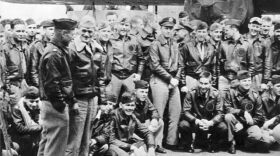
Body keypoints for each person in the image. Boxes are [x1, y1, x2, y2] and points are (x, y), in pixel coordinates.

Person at [37, 18, 77, 156]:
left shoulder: (57, 50)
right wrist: (61, 105)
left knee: (47, 143)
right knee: (56, 148)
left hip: (50, 104)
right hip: (54, 105)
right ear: (63, 33)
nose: (73, 37)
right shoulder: (54, 53)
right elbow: (52, 84)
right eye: (72, 34)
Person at [66, 16, 101, 156]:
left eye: (90, 31)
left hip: (91, 99)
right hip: (78, 99)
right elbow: (67, 79)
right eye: (84, 31)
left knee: (86, 139)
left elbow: (100, 76)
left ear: (95, 32)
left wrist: (101, 100)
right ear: (78, 30)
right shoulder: (72, 48)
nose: (87, 34)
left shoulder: (96, 47)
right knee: (74, 140)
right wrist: (72, 100)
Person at [149, 17, 183, 150]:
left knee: (176, 111)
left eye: (171, 29)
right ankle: (156, 143)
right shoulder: (155, 44)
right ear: (161, 29)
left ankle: (171, 142)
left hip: (173, 80)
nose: (168, 31)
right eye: (166, 28)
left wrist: (177, 79)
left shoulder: (175, 44)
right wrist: (170, 79)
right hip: (159, 79)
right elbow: (155, 66)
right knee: (158, 113)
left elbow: (180, 64)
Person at [179, 71, 227, 153]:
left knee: (223, 127)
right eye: (201, 83)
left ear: (210, 83)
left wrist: (211, 122)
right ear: (197, 82)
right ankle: (188, 144)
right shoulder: (191, 93)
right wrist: (196, 121)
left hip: (209, 122)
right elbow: (186, 111)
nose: (203, 86)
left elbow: (220, 113)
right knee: (183, 124)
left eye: (206, 83)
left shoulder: (216, 94)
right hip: (196, 122)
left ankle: (212, 143)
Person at [223, 70, 267, 154]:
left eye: (249, 80)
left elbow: (259, 116)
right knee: (228, 116)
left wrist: (245, 124)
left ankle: (242, 143)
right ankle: (231, 143)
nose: (247, 83)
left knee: (257, 135)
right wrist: (242, 112)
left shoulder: (255, 95)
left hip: (248, 124)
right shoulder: (230, 92)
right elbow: (227, 108)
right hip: (234, 122)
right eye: (244, 81)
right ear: (239, 82)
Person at [107, 16, 144, 102]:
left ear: (130, 27)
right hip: (114, 76)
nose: (124, 27)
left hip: (130, 76)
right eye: (121, 24)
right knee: (111, 102)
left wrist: (139, 73)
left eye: (126, 25)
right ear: (117, 26)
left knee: (131, 101)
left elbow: (141, 59)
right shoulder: (110, 40)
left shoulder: (134, 40)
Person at [180, 21, 216, 92]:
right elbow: (181, 64)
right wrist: (183, 83)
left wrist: (213, 81)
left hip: (205, 80)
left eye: (203, 32)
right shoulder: (187, 46)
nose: (201, 34)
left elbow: (213, 65)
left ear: (207, 33)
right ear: (195, 32)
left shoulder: (211, 47)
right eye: (199, 32)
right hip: (191, 78)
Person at [133, 80, 165, 153]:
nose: (144, 94)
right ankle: (147, 144)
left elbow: (154, 110)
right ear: (135, 91)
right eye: (142, 92)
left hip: (143, 122)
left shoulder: (146, 98)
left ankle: (157, 145)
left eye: (146, 92)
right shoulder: (131, 100)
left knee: (160, 122)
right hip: (134, 126)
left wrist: (154, 119)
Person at [2, 18, 29, 106]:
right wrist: (9, 91)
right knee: (16, 114)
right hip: (13, 87)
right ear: (12, 31)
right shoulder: (5, 48)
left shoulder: (24, 45)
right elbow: (3, 71)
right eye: (18, 31)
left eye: (23, 31)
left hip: (24, 84)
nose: (21, 34)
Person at [10, 86, 42, 156]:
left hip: (32, 132)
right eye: (31, 101)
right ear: (25, 99)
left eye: (36, 101)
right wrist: (40, 128)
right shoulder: (17, 108)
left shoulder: (39, 106)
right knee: (27, 139)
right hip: (19, 136)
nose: (34, 104)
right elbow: (20, 129)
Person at [243, 17, 271, 92]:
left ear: (260, 28)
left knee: (257, 97)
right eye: (253, 26)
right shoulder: (241, 39)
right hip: (243, 75)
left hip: (257, 75)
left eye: (257, 27)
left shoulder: (264, 42)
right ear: (249, 25)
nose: (254, 29)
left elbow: (267, 61)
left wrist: (265, 80)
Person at [28, 20, 54, 87]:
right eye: (50, 29)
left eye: (55, 30)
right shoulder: (38, 45)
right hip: (42, 83)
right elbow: (33, 70)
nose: (53, 32)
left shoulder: (56, 45)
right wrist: (39, 86)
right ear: (44, 30)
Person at [261, 75, 280, 145]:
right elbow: (262, 116)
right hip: (267, 126)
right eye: (278, 86)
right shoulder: (264, 98)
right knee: (269, 141)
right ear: (271, 86)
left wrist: (275, 120)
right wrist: (270, 128)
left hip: (276, 123)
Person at [209, 23, 223, 88]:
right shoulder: (206, 44)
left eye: (220, 32)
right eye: (216, 32)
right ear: (210, 32)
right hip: (208, 77)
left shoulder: (223, 45)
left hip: (220, 77)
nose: (219, 34)